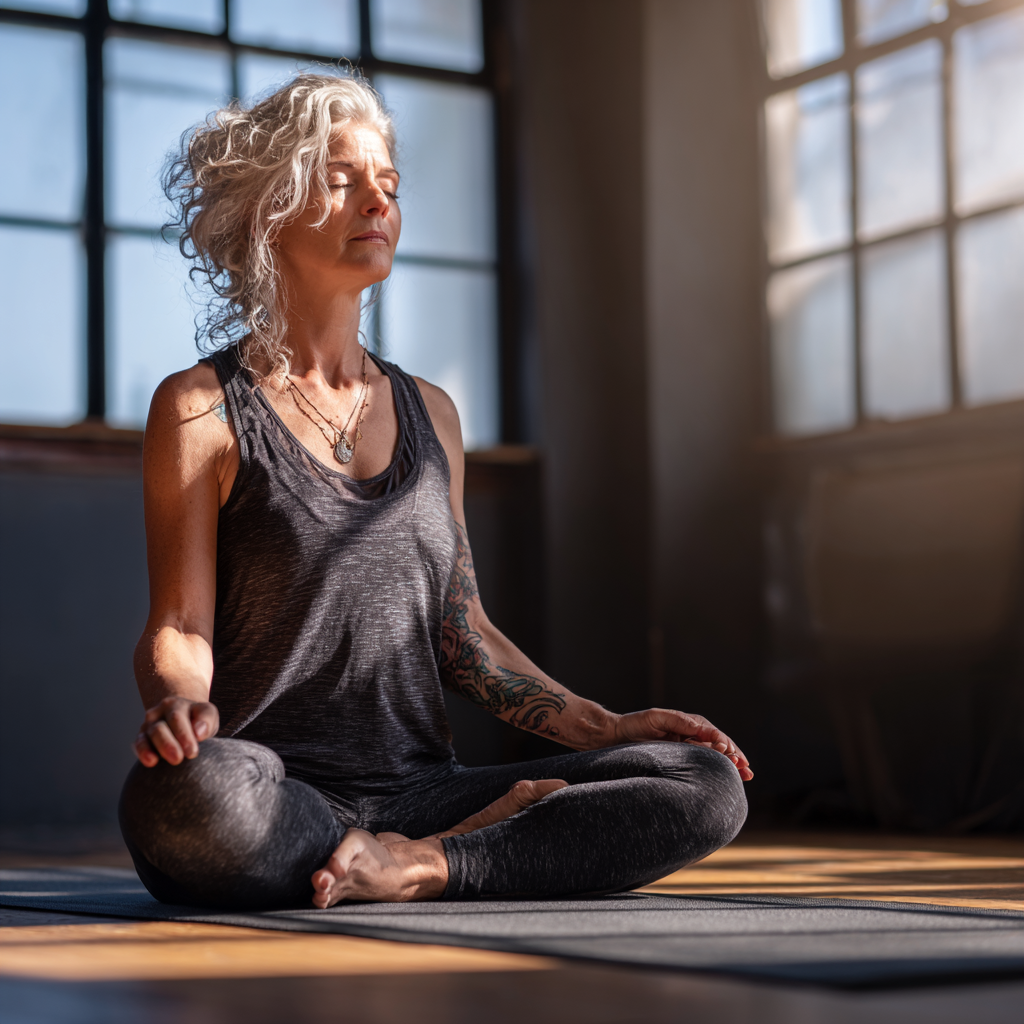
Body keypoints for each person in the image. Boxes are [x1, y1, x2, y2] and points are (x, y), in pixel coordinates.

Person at [119, 72, 751, 912]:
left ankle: (424, 864)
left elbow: (466, 639)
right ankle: (459, 851)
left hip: (424, 792)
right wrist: (180, 707)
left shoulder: (433, 416)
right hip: (278, 792)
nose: (376, 202)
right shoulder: (201, 408)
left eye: (389, 185)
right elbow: (180, 625)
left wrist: (608, 726)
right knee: (182, 799)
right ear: (266, 209)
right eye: (342, 181)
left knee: (703, 782)